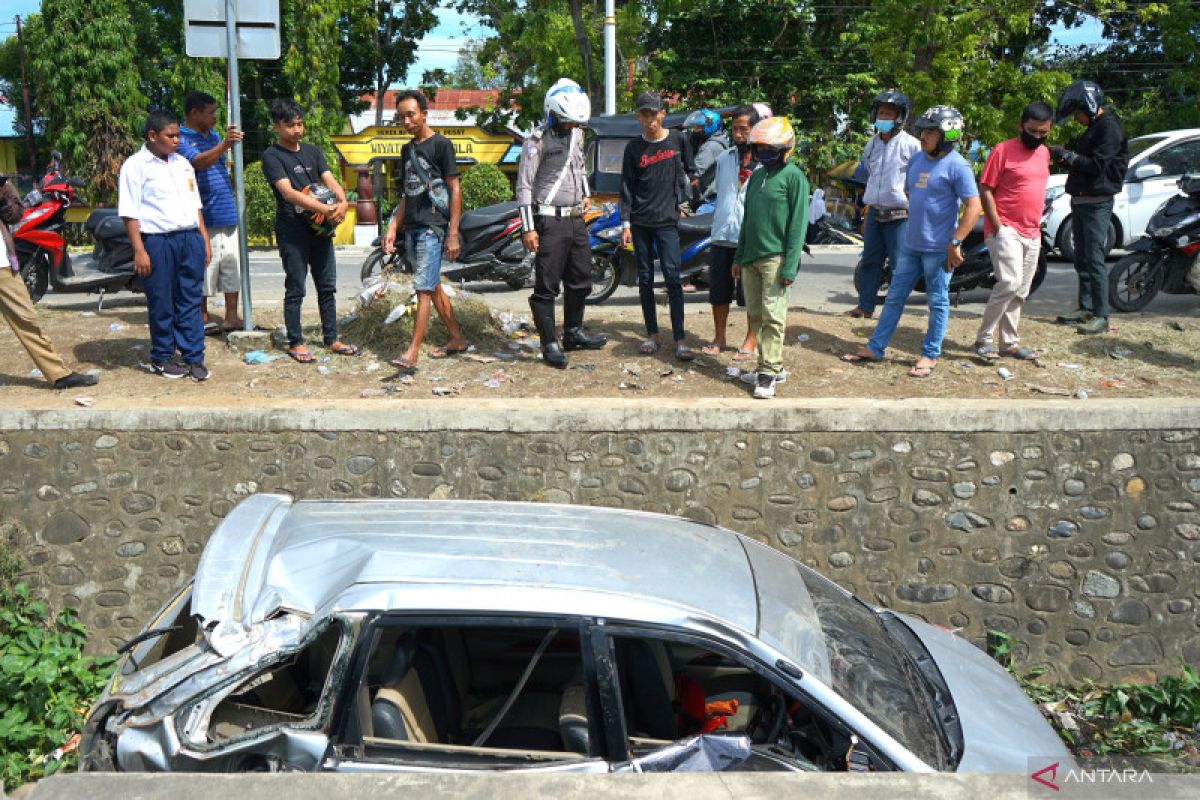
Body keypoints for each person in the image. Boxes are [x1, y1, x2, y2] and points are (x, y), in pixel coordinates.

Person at [842, 106, 982, 378]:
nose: (924, 137)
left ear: (948, 135)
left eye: (931, 132)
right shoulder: (917, 160)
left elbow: (973, 207)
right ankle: (876, 347)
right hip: (910, 244)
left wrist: (955, 242)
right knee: (894, 297)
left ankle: (930, 355)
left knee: (937, 301)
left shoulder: (958, 166)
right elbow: (911, 193)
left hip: (938, 250)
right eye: (923, 131)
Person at [516, 78, 607, 370]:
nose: (570, 126)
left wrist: (587, 196)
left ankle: (573, 332)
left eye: (574, 122)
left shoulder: (577, 135)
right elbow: (524, 186)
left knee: (581, 279)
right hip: (549, 220)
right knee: (547, 285)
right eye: (565, 121)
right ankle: (549, 343)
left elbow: (579, 167)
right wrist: (528, 227)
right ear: (552, 114)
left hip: (575, 218)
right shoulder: (536, 140)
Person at [261, 98, 358, 364]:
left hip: (321, 230)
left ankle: (332, 338)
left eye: (300, 124)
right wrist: (325, 209)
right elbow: (288, 192)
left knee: (327, 287)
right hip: (293, 231)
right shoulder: (272, 156)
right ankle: (296, 342)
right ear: (277, 127)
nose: (297, 129)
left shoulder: (313, 151)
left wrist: (342, 204)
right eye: (291, 125)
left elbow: (330, 180)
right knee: (296, 288)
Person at [118, 109, 213, 381]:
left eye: (178, 135)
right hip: (157, 242)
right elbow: (129, 212)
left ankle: (194, 357)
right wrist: (139, 250)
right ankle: (162, 357)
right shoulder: (135, 166)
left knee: (191, 300)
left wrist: (203, 240)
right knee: (162, 301)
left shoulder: (183, 163)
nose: (176, 140)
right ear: (152, 135)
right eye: (170, 136)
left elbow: (195, 206)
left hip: (189, 239)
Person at [381, 90, 469, 371]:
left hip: (433, 227)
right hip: (414, 227)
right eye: (402, 116)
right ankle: (457, 338)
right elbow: (407, 194)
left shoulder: (442, 145)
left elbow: (454, 188)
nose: (406, 121)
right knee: (432, 286)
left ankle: (412, 352)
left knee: (422, 289)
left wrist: (452, 232)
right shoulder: (407, 150)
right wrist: (393, 226)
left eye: (411, 115)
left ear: (424, 114)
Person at [732, 116, 809, 399]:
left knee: (773, 316)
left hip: (776, 258)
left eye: (770, 149)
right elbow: (747, 221)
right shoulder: (756, 178)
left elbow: (798, 225)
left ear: (785, 148)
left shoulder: (794, 177)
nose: (764, 153)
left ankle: (766, 375)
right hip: (751, 257)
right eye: (760, 148)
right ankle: (771, 366)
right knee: (755, 315)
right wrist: (739, 257)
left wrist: (790, 265)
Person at [972, 102, 1054, 360]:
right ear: (1021, 126)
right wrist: (996, 225)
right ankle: (983, 339)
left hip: (1033, 231)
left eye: (1043, 133)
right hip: (1006, 228)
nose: (1037, 137)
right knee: (1009, 282)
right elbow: (985, 188)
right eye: (1033, 131)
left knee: (1021, 291)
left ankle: (1009, 343)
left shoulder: (1044, 154)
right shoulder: (1002, 150)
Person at [0, 174, 97, 389]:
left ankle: (58, 374)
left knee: (26, 319)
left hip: (3, 265)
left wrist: (7, 193)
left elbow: (14, 216)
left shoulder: (4, 186)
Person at [620, 92, 696, 360]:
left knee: (674, 279)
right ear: (639, 117)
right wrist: (626, 223)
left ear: (662, 114)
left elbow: (692, 173)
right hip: (640, 222)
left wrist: (685, 205)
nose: (649, 120)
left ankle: (680, 339)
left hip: (667, 222)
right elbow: (626, 187)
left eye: (653, 114)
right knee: (645, 280)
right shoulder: (633, 148)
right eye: (644, 114)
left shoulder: (678, 140)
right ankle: (652, 335)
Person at [1050, 80, 1129, 335]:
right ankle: (1085, 308)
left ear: (1089, 106)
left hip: (1097, 204)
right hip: (1081, 201)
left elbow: (1097, 166)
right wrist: (1064, 159)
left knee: (1095, 260)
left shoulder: (1108, 128)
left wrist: (1068, 155)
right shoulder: (1094, 128)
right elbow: (1083, 165)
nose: (1076, 119)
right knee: (1081, 258)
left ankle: (1101, 316)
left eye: (1077, 113)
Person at [845, 90, 920, 319]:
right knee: (870, 260)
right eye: (880, 113)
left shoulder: (912, 146)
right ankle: (865, 307)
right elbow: (869, 174)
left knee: (899, 265)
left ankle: (892, 311)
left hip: (901, 214)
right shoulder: (871, 145)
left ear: (899, 117)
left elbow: (918, 179)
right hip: (875, 211)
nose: (883, 117)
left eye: (888, 113)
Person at [178, 90, 244, 334]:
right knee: (205, 269)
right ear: (194, 113)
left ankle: (231, 317)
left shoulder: (213, 135)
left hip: (226, 212)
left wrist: (221, 143)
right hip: (204, 215)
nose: (215, 117)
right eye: (210, 112)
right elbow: (197, 162)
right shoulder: (182, 139)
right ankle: (201, 318)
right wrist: (224, 145)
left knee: (231, 267)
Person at [704, 104, 762, 360]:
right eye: (735, 129)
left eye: (743, 129)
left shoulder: (765, 163)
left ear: (754, 130)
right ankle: (719, 337)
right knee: (718, 291)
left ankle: (750, 341)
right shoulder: (725, 158)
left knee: (750, 294)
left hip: (748, 238)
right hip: (721, 234)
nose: (738, 135)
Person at [683, 108, 729, 209]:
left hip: (709, 201)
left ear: (710, 126)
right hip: (717, 195)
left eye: (698, 127)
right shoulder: (721, 141)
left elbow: (695, 172)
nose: (694, 131)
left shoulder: (709, 147)